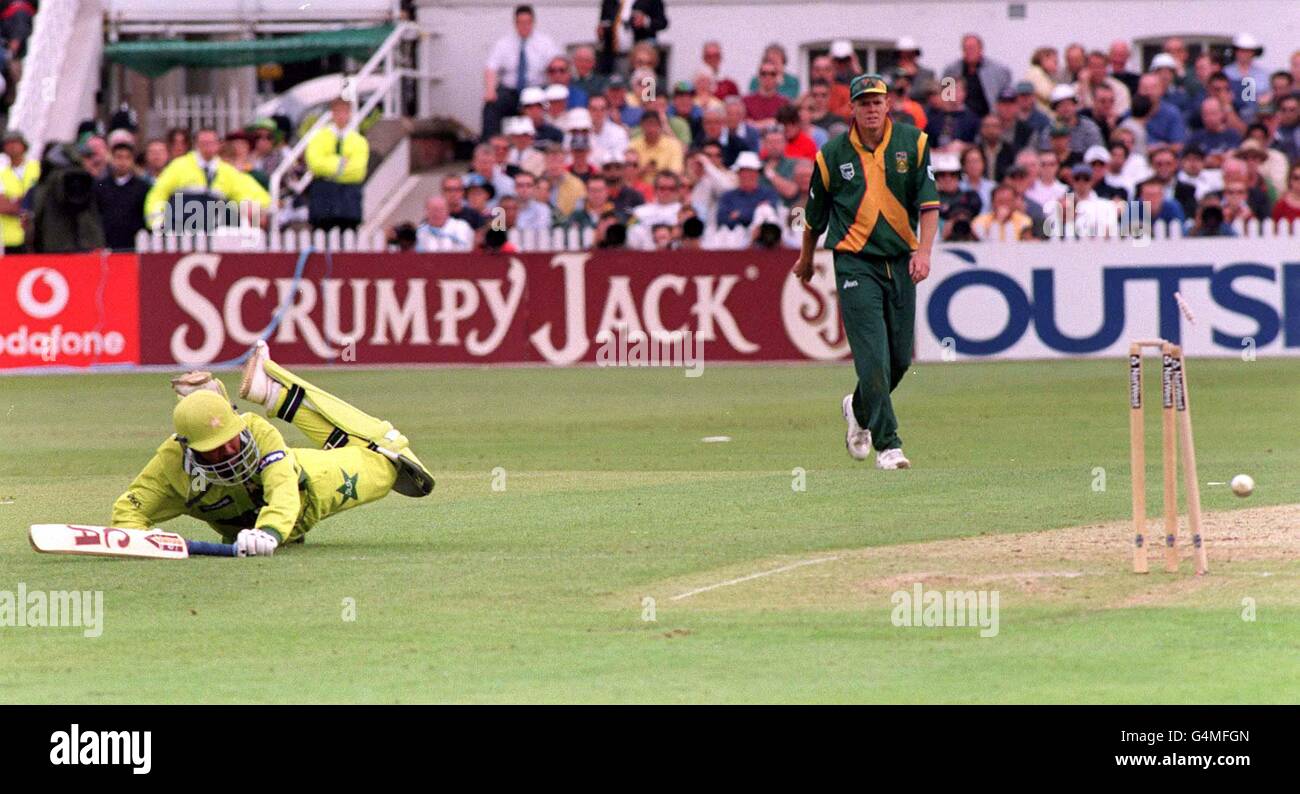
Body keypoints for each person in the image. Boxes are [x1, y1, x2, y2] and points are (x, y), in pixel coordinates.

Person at [113, 343, 434, 557]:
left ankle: (275, 394)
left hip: (310, 490)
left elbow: (282, 487)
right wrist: (142, 542)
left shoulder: (256, 430)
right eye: (214, 448)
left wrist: (269, 530)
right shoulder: (172, 467)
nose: (229, 450)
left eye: (231, 438)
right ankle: (240, 395)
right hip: (257, 533)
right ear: (188, 448)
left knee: (388, 457)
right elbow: (129, 510)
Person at [792, 74, 939, 470]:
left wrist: (923, 252)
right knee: (872, 357)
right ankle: (888, 445)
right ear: (852, 108)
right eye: (864, 103)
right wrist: (807, 260)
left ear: (887, 104)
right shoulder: (832, 155)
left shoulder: (915, 143)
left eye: (877, 102)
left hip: (901, 260)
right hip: (855, 262)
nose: (871, 109)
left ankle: (857, 409)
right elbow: (813, 218)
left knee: (898, 362)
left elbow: (929, 206)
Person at [144, 128, 270, 232]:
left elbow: (250, 193)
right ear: (196, 144)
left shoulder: (226, 171)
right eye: (204, 143)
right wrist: (157, 223)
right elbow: (158, 194)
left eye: (211, 143)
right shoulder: (179, 166)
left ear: (219, 145)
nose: (208, 147)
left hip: (214, 234)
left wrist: (254, 210)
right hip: (180, 233)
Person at [483, 5, 561, 137]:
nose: (524, 26)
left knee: (543, 105)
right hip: (510, 91)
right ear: (515, 23)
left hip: (536, 90)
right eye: (521, 22)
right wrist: (490, 91)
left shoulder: (545, 42)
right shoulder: (504, 43)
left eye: (528, 22)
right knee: (491, 106)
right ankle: (490, 147)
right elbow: (491, 68)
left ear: (533, 22)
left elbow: (557, 64)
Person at [304, 97, 369, 233]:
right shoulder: (319, 137)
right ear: (332, 113)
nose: (341, 116)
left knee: (348, 236)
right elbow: (315, 164)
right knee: (321, 234)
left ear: (350, 114)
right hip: (323, 195)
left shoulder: (359, 141)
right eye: (338, 112)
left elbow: (358, 171)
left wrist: (329, 164)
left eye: (345, 112)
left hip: (348, 198)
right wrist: (341, 163)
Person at [95, 142, 150, 251]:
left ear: (132, 161)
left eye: (127, 158)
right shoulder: (100, 186)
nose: (122, 162)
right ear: (112, 159)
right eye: (119, 157)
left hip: (134, 247)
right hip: (107, 246)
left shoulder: (143, 188)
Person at [942, 34, 1011, 119]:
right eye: (966, 48)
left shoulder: (999, 71)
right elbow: (945, 98)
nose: (969, 51)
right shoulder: (951, 71)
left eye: (972, 48)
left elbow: (1007, 96)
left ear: (981, 49)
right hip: (960, 118)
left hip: (989, 118)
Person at [596, 0, 667, 75]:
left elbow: (662, 22)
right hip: (613, 55)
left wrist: (645, 21)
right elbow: (603, 22)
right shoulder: (609, 2)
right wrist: (601, 32)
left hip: (640, 56)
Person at [715, 151, 778, 228]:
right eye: (744, 171)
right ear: (738, 173)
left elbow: (770, 214)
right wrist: (756, 210)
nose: (747, 175)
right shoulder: (727, 196)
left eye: (751, 171)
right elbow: (722, 220)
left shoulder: (768, 193)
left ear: (757, 173)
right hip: (734, 237)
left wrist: (739, 214)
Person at [0, 130, 38, 253]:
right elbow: (3, 206)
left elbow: (42, 197)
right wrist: (27, 204)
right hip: (12, 239)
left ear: (23, 145)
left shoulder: (37, 168)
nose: (12, 146)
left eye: (15, 142)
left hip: (37, 235)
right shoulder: (2, 174)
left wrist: (15, 201)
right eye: (8, 143)